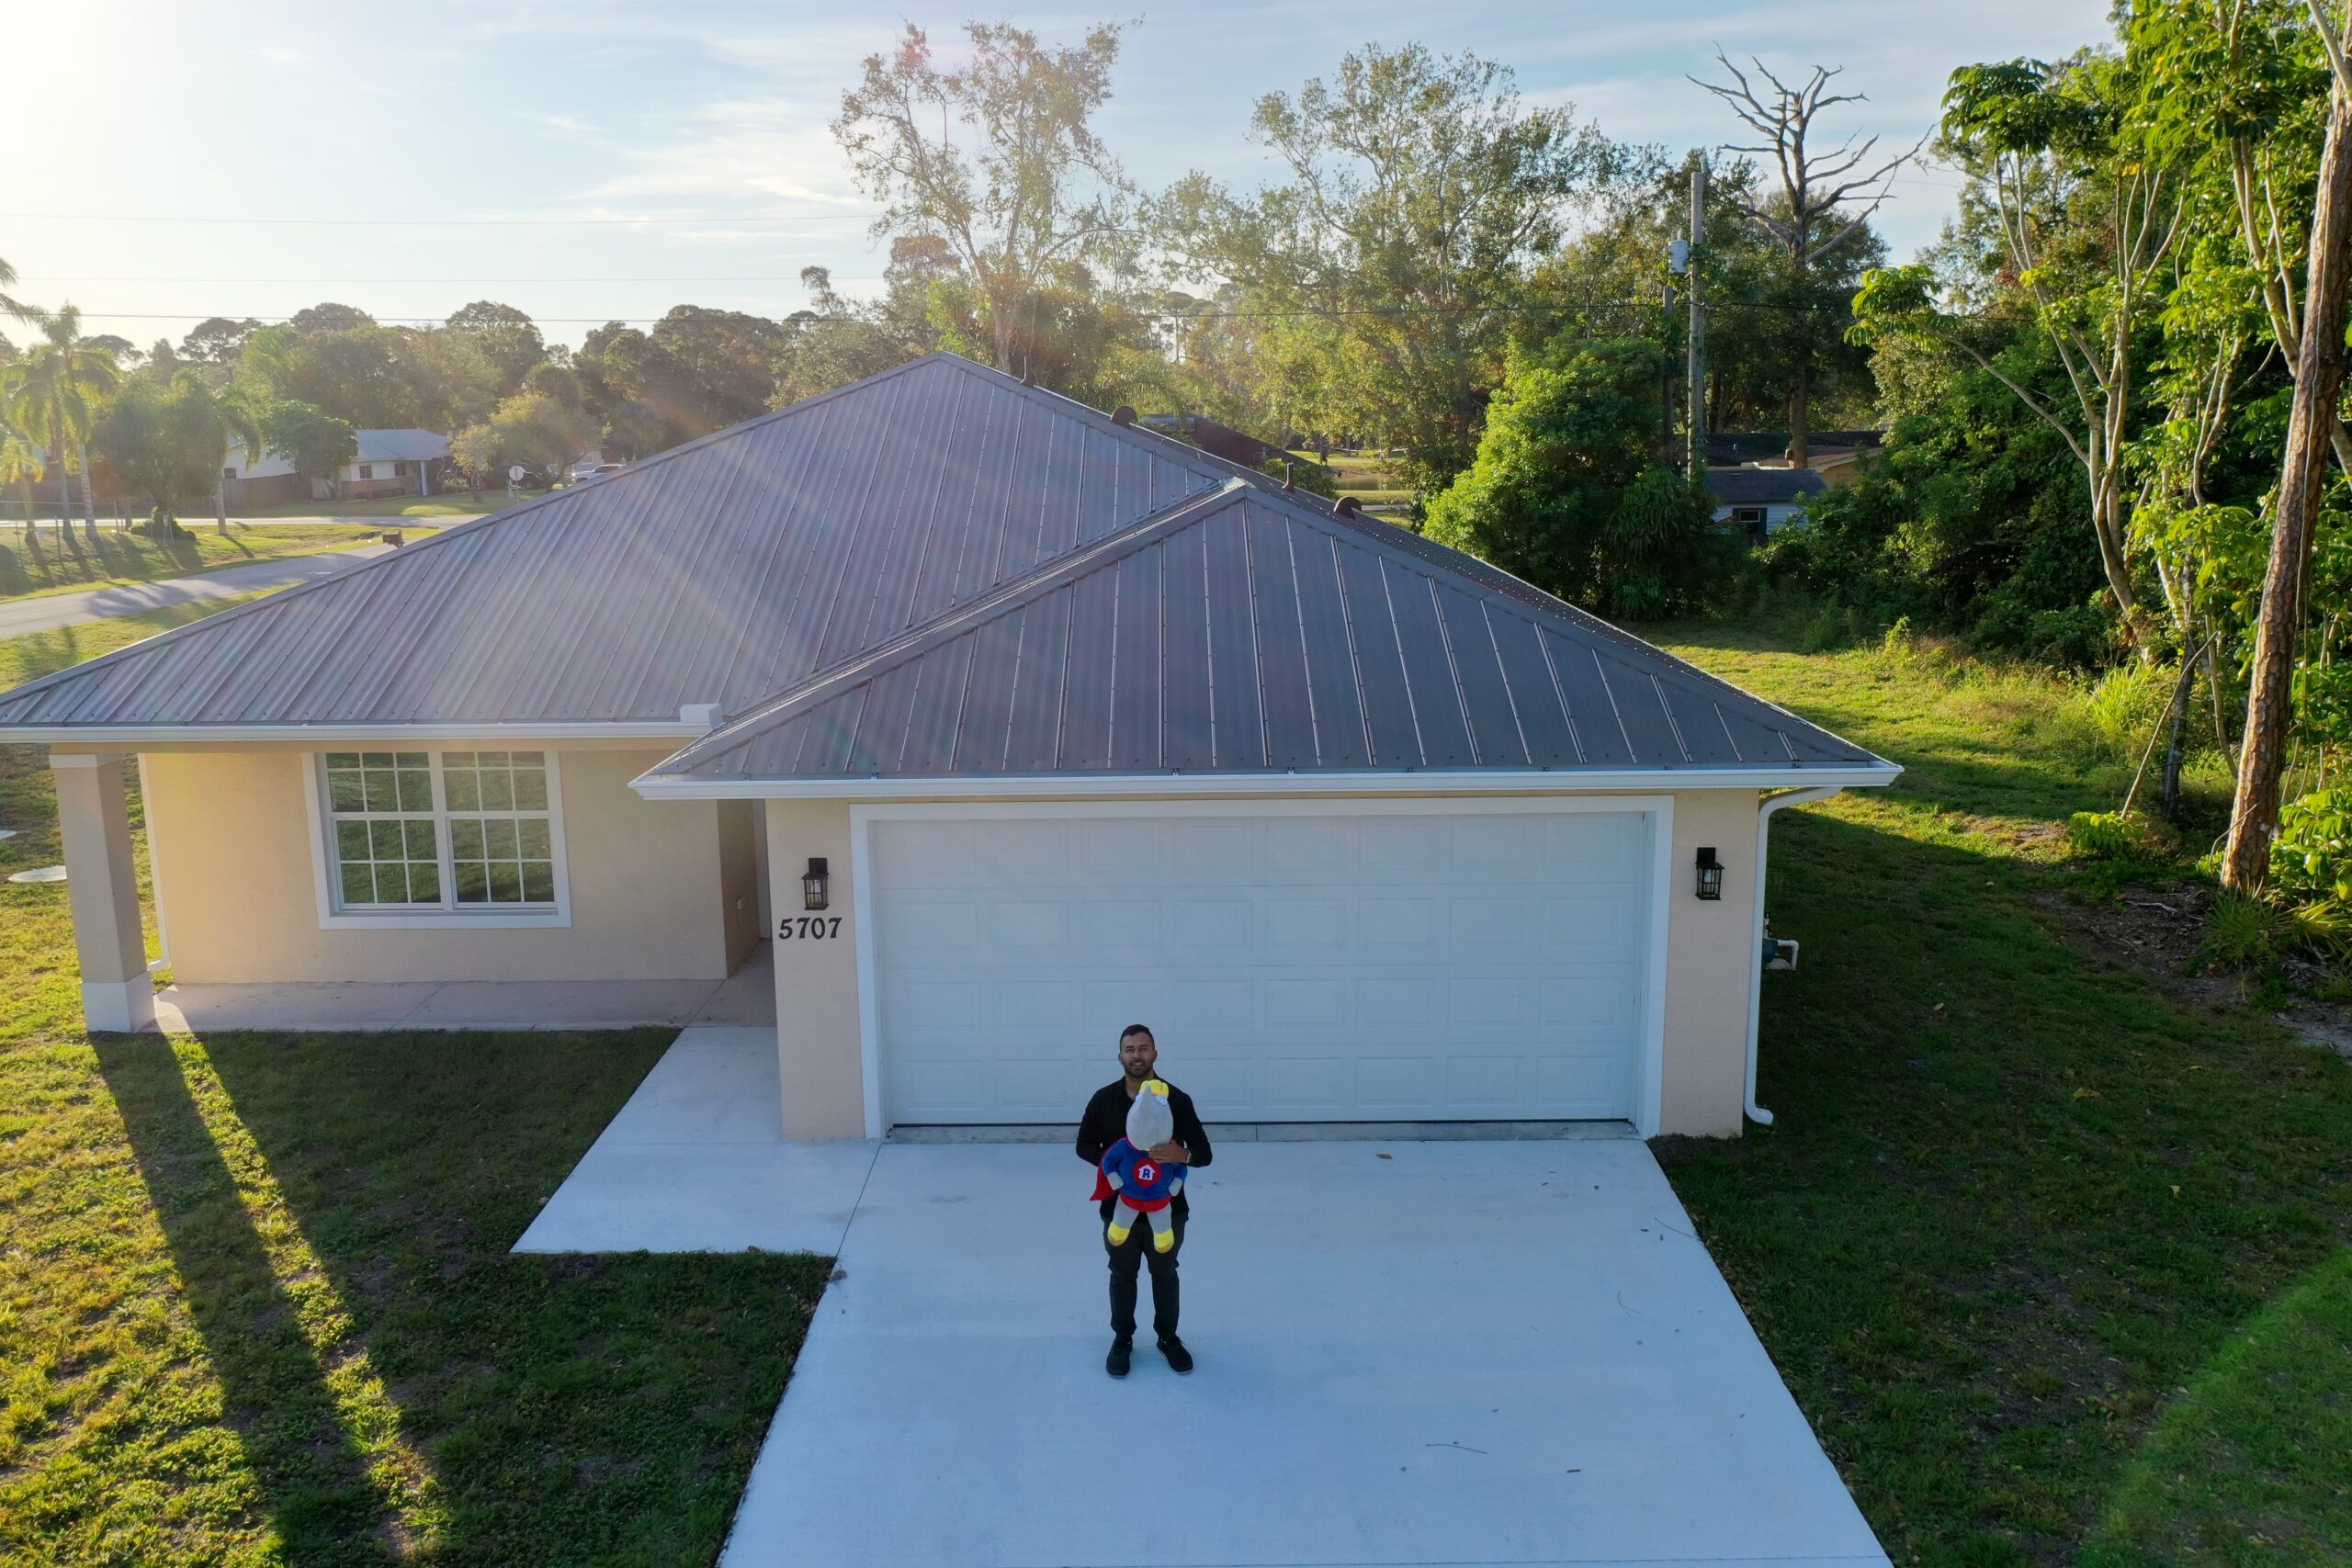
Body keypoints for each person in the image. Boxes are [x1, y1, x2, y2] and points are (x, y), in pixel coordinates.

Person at [1075, 1023, 1212, 1378]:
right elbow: (1083, 1145)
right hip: (1119, 1206)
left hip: (1168, 1210)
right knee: (1122, 1274)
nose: (1137, 1055)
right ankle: (1122, 1340)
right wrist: (1117, 1164)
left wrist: (1180, 1155)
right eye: (1130, 1049)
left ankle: (1169, 1339)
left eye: (1143, 1048)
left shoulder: (1177, 1100)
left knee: (1165, 1275)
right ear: (1120, 1056)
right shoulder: (1104, 1099)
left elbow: (1204, 1152)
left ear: (1155, 1053)